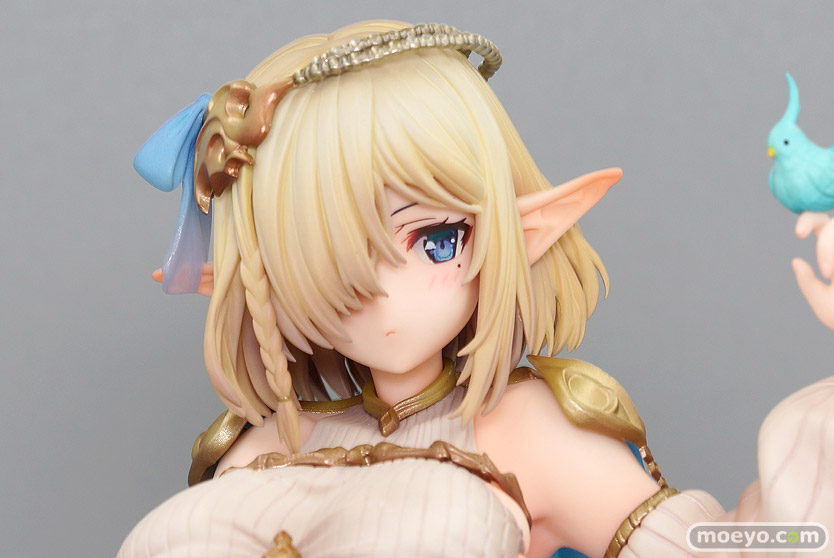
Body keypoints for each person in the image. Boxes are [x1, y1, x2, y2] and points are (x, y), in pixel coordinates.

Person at [120, 21, 834, 558]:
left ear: (518, 234)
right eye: (323, 258)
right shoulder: (257, 445)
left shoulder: (531, 431)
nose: (380, 296)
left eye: (436, 240)